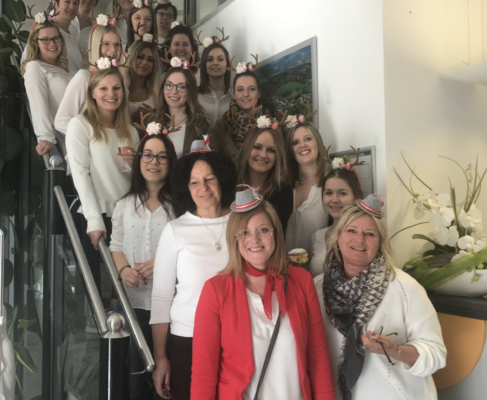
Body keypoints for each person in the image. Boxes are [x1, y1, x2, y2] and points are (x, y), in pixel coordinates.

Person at [191, 191, 337, 400]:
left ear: (275, 233)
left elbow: (318, 358)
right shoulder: (215, 290)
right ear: (234, 239)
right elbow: (203, 372)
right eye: (244, 232)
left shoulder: (302, 281)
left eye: (263, 230)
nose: (254, 239)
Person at [315, 196, 446, 400]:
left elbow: (436, 354)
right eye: (351, 231)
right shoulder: (317, 288)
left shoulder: (404, 288)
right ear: (338, 237)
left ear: (380, 243)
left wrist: (395, 350)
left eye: (369, 234)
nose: (360, 239)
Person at [150, 149, 236, 400]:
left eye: (210, 178)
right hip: (188, 340)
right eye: (194, 182)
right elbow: (161, 298)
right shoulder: (175, 230)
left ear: (222, 179)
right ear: (185, 188)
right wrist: (160, 358)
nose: (204, 188)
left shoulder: (243, 223)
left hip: (237, 337)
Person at [110, 130, 177, 400]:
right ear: (138, 160)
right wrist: (123, 271)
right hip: (132, 302)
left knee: (167, 379)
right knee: (134, 380)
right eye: (147, 155)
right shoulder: (124, 205)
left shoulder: (180, 206)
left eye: (162, 157)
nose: (154, 162)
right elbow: (115, 245)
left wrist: (163, 265)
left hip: (170, 305)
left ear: (171, 162)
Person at [66, 67, 139, 291]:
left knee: (128, 280)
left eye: (116, 88)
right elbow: (80, 174)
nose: (111, 94)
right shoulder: (80, 125)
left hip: (127, 215)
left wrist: (135, 165)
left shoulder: (131, 131)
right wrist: (94, 220)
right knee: (96, 284)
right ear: (93, 93)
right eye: (103, 88)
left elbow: (134, 179)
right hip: (97, 212)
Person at [55, 24, 123, 134]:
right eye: (106, 44)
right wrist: (91, 135)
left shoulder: (120, 81)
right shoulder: (84, 77)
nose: (113, 50)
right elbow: (61, 121)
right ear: (96, 45)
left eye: (117, 44)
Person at [21, 19, 73, 156]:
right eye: (45, 39)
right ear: (35, 43)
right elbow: (37, 104)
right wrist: (45, 136)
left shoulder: (67, 67)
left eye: (56, 38)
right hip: (66, 134)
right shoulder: (34, 67)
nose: (52, 43)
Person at [236, 123, 292, 235]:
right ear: (247, 148)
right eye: (257, 147)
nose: (263, 155)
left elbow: (272, 234)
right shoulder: (229, 185)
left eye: (271, 150)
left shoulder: (283, 192)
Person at [284, 121, 329, 257]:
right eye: (295, 142)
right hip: (280, 269)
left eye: (308, 139)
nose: (302, 145)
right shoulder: (282, 187)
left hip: (316, 269)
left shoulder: (330, 187)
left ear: (318, 143)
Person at [309, 167, 363, 277]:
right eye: (329, 193)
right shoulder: (317, 236)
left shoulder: (364, 235)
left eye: (342, 193)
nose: (334, 200)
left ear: (356, 196)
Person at [147, 64, 210, 157]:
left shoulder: (202, 126)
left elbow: (208, 161)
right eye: (169, 85)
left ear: (190, 91)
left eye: (181, 87)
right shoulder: (150, 120)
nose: (174, 92)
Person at [210, 67, 269, 162]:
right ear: (234, 94)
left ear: (259, 93)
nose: (246, 94)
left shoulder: (272, 124)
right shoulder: (222, 125)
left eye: (252, 89)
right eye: (240, 89)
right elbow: (215, 162)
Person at [124, 40, 160, 123]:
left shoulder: (158, 93)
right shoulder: (120, 88)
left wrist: (153, 116)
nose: (145, 62)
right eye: (140, 57)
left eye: (150, 60)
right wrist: (130, 120)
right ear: (131, 58)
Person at [197, 41, 233, 125]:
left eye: (220, 59)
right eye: (210, 59)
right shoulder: (194, 96)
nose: (215, 63)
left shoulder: (235, 96)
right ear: (204, 64)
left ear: (227, 63)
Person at [51, 0, 83, 73]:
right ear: (55, 3)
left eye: (75, 3)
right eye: (67, 1)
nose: (72, 7)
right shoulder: (47, 30)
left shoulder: (73, 31)